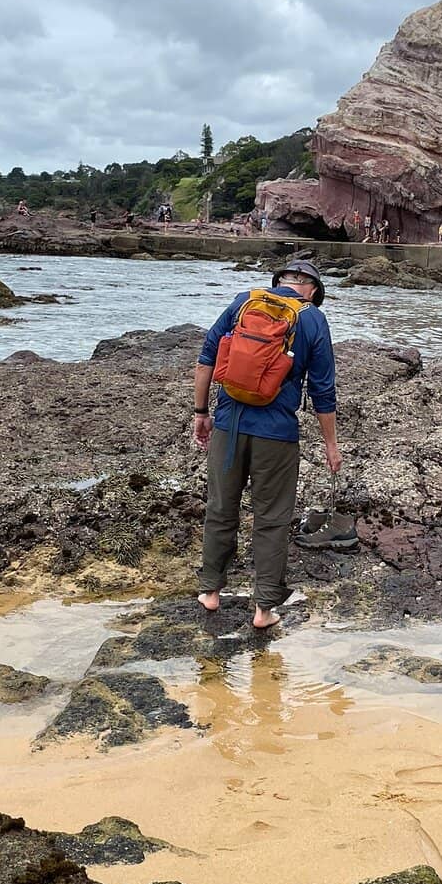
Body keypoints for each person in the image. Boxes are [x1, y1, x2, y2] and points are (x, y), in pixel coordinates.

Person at [193, 258, 340, 630]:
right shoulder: (312, 318)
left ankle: (211, 592)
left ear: (278, 281)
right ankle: (264, 610)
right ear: (314, 290)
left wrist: (200, 412)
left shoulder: (244, 300)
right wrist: (331, 445)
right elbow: (322, 389)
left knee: (221, 507)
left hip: (228, 426)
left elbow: (207, 357)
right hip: (276, 434)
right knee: (271, 518)